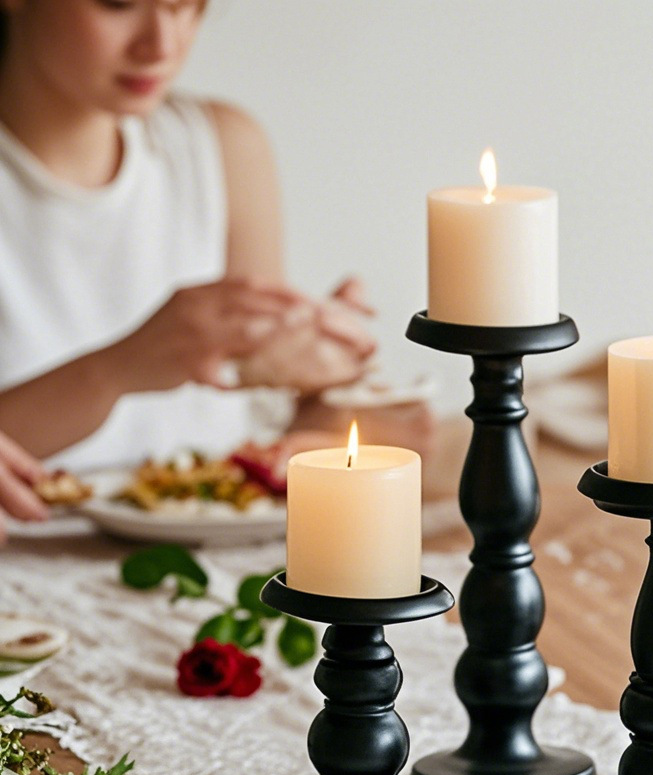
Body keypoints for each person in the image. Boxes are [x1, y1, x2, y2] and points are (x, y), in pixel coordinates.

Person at [0, 0, 430, 535]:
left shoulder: (221, 148)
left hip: (210, 564)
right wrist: (121, 368)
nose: (161, 45)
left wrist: (327, 396)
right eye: (119, 4)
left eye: (186, 6)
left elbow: (259, 419)